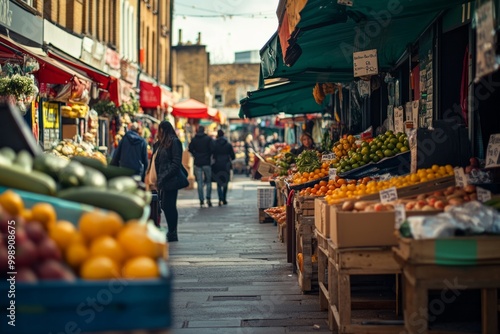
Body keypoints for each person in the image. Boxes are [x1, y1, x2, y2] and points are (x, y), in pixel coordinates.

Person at [155, 120, 189, 242]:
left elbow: (176, 163)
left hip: (171, 179)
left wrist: (164, 176)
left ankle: (173, 232)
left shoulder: (175, 142)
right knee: (165, 205)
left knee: (169, 206)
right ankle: (171, 231)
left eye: (159, 130)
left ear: (163, 130)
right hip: (163, 180)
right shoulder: (162, 144)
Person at [188, 125, 214, 207]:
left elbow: (190, 149)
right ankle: (208, 199)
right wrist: (208, 155)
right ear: (204, 130)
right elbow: (212, 149)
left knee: (199, 182)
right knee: (209, 181)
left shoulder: (194, 139)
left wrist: (195, 154)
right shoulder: (208, 139)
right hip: (206, 162)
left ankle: (201, 200)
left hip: (197, 162)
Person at [211, 130, 236, 206]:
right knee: (226, 181)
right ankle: (224, 198)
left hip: (217, 164)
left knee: (219, 182)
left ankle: (220, 198)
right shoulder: (228, 144)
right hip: (226, 164)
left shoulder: (214, 144)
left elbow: (212, 153)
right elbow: (233, 156)